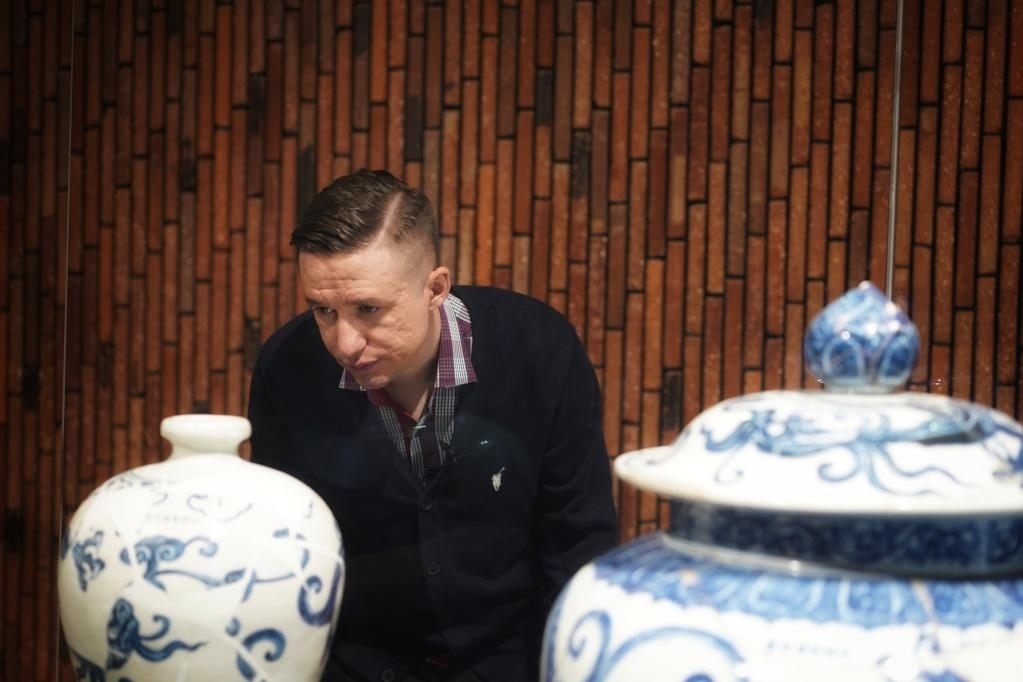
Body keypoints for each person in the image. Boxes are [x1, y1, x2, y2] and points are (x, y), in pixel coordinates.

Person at [247, 169, 618, 682]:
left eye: (368, 309)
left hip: (513, 658)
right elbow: (284, 544)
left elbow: (578, 540)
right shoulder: (288, 368)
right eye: (324, 310)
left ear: (436, 288)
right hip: (355, 661)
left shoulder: (541, 351)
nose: (345, 343)